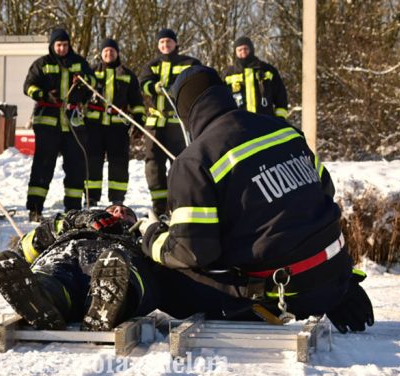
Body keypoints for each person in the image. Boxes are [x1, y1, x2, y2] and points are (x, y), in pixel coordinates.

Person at [141, 66, 374, 334]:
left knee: (161, 272)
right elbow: (324, 191)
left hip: (276, 293)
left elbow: (193, 252)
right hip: (331, 278)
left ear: (185, 112)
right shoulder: (285, 130)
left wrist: (151, 237)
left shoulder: (194, 160)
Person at [0, 205, 157, 331]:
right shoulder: (74, 227)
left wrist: (154, 233)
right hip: (64, 259)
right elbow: (24, 249)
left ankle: (104, 306)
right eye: (112, 210)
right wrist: (75, 220)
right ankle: (40, 300)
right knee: (49, 276)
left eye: (128, 214)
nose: (120, 212)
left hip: (116, 262)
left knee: (121, 272)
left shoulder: (142, 243)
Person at [23, 28, 96, 222]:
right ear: (52, 45)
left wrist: (83, 82)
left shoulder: (79, 63)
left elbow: (93, 83)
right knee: (43, 166)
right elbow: (28, 86)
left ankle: (73, 210)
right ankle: (35, 208)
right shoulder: (42, 64)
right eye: (58, 45)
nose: (62, 48)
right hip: (48, 122)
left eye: (65, 44)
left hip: (73, 123)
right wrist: (44, 95)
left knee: (75, 167)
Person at [138, 29, 201, 216]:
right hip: (156, 125)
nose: (165, 45)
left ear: (176, 43)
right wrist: (154, 87)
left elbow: (197, 80)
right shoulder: (152, 66)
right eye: (162, 42)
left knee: (181, 162)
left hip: (178, 124)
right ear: (158, 45)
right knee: (153, 164)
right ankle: (159, 206)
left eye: (168, 42)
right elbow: (143, 84)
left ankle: (181, 201)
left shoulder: (188, 63)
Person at [84, 38, 145, 206]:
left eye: (112, 51)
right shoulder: (92, 73)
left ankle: (117, 198)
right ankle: (91, 198)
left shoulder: (127, 75)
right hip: (94, 127)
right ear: (101, 54)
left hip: (118, 128)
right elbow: (81, 95)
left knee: (119, 164)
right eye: (106, 51)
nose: (109, 54)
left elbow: (137, 102)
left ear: (117, 53)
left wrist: (139, 120)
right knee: (92, 162)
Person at [222, 36, 288, 119]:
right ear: (235, 52)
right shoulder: (228, 74)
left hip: (265, 121)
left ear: (251, 49)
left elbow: (281, 96)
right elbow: (221, 99)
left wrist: (280, 119)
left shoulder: (267, 70)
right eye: (240, 50)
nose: (243, 52)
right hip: (239, 123)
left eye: (245, 48)